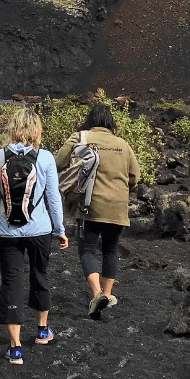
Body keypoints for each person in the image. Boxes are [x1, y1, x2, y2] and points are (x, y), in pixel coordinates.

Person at [0, 107, 68, 366]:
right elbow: (53, 198)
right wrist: (60, 230)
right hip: (40, 230)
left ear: (12, 129)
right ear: (36, 131)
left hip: (7, 231)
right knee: (40, 274)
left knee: (11, 282)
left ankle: (15, 348)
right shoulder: (45, 158)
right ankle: (42, 330)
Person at [56, 103, 140, 321]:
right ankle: (108, 295)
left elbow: (59, 162)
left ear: (90, 119)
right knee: (111, 250)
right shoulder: (123, 144)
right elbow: (135, 177)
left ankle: (96, 294)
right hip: (118, 207)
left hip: (90, 206)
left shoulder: (80, 137)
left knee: (87, 249)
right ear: (110, 122)